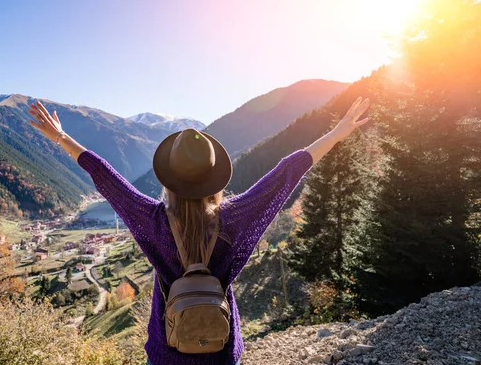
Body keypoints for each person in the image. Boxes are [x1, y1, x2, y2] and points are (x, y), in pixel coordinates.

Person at [29, 97, 370, 365]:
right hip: (220, 351)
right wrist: (337, 133)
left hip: (167, 352)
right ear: (214, 178)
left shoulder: (153, 221)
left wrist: (60, 137)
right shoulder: (235, 218)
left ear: (169, 180)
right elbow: (285, 174)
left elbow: (105, 178)